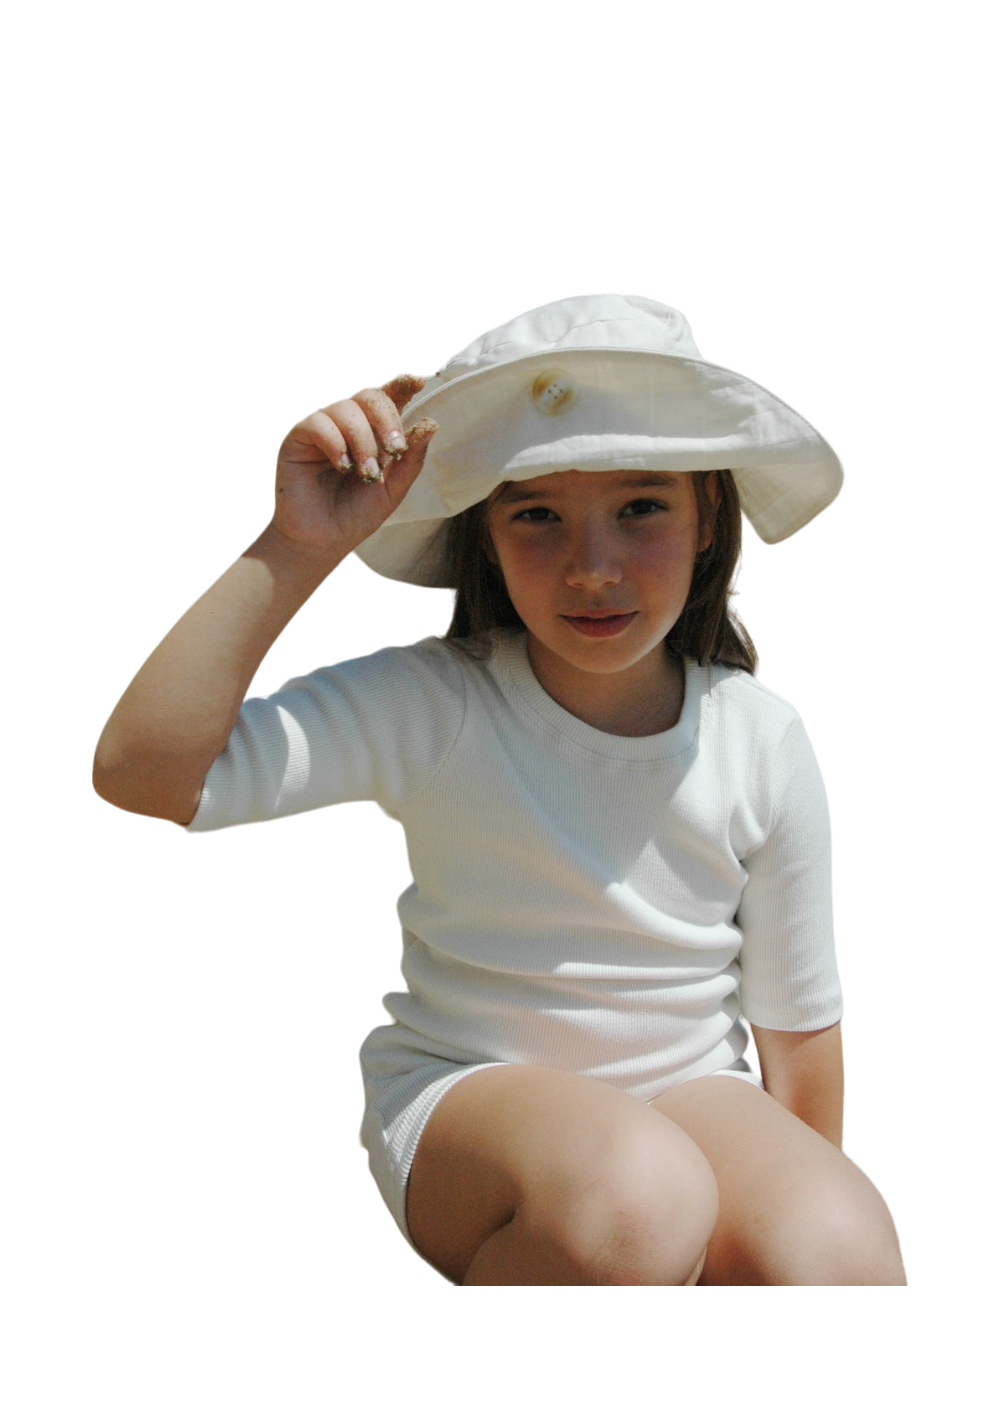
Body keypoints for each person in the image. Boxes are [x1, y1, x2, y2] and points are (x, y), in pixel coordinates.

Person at [93, 292, 907, 1286]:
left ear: (708, 516)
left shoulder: (762, 733)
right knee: (637, 1202)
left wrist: (795, 1220)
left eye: (640, 504)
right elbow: (144, 775)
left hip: (693, 1097)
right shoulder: (435, 700)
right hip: (471, 1102)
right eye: (536, 515)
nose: (590, 565)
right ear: (483, 534)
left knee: (839, 1242)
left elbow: (797, 1022)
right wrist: (300, 545)